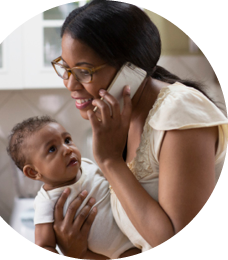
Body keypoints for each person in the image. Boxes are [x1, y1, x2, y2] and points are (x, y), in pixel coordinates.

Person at [48, 0, 228, 257]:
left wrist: (109, 161)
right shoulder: (118, 120)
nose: (70, 84)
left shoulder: (180, 113)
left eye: (84, 71)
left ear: (130, 70)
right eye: (66, 68)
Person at [6, 115, 141, 259]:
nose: (67, 149)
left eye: (67, 140)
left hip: (137, 231)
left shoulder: (87, 164)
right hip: (110, 254)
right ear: (33, 172)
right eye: (52, 149)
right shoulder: (46, 201)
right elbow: (44, 246)